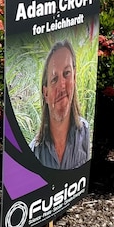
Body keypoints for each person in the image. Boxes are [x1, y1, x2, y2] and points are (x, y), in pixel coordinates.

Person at [29, 40, 90, 170]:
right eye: (54, 79)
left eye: (66, 73)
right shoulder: (34, 152)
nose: (62, 85)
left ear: (74, 78)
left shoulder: (85, 132)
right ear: (45, 93)